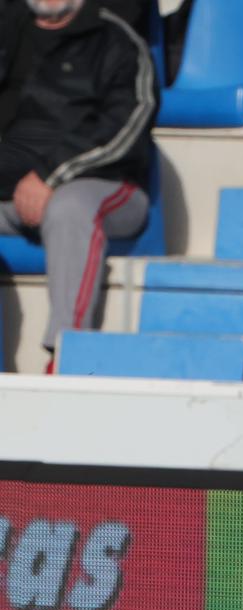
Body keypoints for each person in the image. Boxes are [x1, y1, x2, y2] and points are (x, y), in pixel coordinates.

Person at [0, 0, 157, 372]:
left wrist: (49, 176)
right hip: (9, 195)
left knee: (69, 207)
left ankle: (65, 354)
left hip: (102, 187)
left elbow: (126, 126)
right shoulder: (9, 31)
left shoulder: (114, 40)